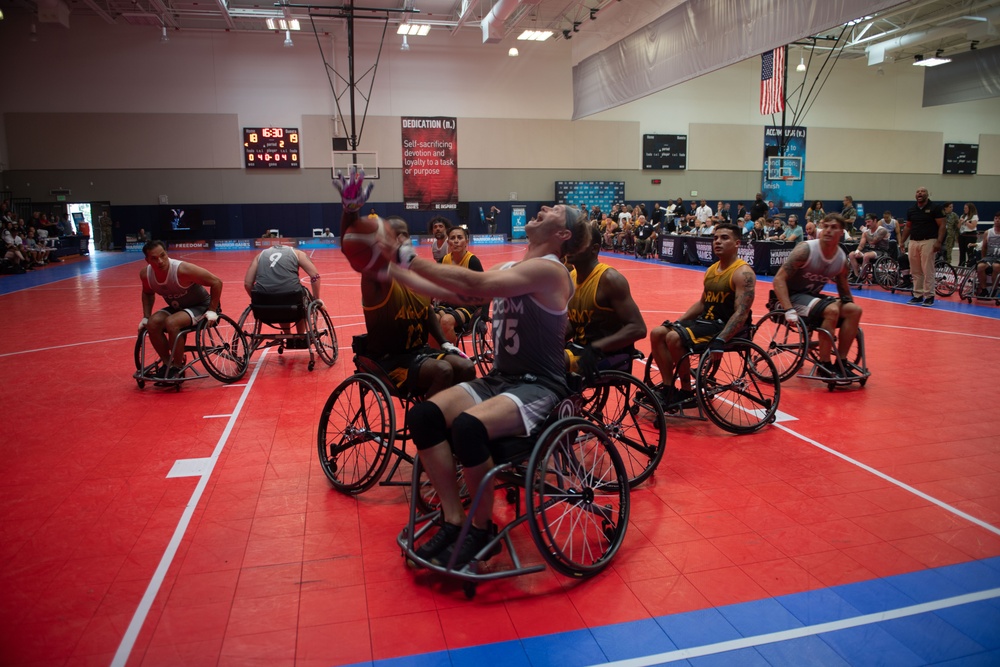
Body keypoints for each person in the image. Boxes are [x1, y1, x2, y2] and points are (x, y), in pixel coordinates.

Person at [393, 204, 590, 568]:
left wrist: (403, 255)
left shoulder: (552, 272)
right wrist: (387, 265)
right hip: (502, 380)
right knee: (424, 416)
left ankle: (481, 528)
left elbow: (476, 283)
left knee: (469, 426)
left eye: (556, 210)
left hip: (539, 386)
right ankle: (454, 520)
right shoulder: (510, 269)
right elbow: (458, 294)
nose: (545, 207)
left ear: (563, 234)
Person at [649, 223, 755, 406]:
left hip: (724, 326)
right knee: (658, 332)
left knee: (674, 338)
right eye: (715, 238)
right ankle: (668, 388)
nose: (718, 242)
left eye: (724, 238)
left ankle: (686, 391)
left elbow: (741, 313)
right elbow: (702, 303)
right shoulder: (712, 270)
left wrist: (721, 340)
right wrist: (678, 321)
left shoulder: (743, 273)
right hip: (706, 322)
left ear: (737, 243)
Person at [772, 214, 863, 377]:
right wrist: (788, 310)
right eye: (825, 226)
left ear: (842, 231)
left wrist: (849, 317)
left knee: (854, 310)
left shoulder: (840, 259)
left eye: (833, 227)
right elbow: (779, 279)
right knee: (832, 310)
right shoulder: (805, 249)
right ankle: (824, 364)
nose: (828, 230)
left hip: (811, 298)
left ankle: (841, 363)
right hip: (787, 298)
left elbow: (844, 292)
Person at [565, 230, 647, 377]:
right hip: (580, 349)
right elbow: (576, 322)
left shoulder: (610, 279)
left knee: (549, 362)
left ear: (594, 249)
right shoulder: (571, 276)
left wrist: (597, 347)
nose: (569, 247)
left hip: (608, 355)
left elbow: (638, 328)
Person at [138, 240, 223, 380]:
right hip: (178, 308)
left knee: (172, 322)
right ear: (147, 260)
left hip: (202, 306)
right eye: (154, 258)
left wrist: (213, 309)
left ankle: (177, 367)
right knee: (152, 323)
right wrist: (146, 316)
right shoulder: (145, 275)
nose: (160, 261)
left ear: (166, 254)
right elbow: (147, 293)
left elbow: (216, 282)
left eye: (162, 255)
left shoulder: (182, 269)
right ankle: (168, 363)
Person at [243, 237, 323, 337]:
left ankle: (287, 334)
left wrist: (258, 300)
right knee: (301, 296)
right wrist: (316, 300)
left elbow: (247, 284)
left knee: (280, 297)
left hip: (264, 303)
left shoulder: (260, 255)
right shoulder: (297, 253)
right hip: (292, 300)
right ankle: (301, 335)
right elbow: (315, 276)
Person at [434, 225, 484, 343]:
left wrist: (484, 314)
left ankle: (454, 357)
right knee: (432, 320)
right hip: (447, 303)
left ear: (466, 241)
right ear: (448, 242)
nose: (456, 241)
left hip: (469, 305)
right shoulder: (443, 261)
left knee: (446, 321)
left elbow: (484, 289)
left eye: (459, 237)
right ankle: (438, 355)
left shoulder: (472, 261)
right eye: (452, 238)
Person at [899, 187, 945, 306]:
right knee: (915, 270)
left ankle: (929, 295)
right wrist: (902, 241)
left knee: (927, 269)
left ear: (927, 194)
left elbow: (942, 225)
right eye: (918, 192)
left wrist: (939, 242)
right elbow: (908, 226)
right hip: (914, 241)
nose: (920, 193)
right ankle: (917, 294)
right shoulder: (912, 209)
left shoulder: (935, 208)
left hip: (929, 240)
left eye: (922, 191)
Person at [849, 213, 890, 279]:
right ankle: (856, 275)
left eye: (869, 222)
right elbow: (861, 245)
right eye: (866, 222)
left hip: (881, 251)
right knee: (851, 254)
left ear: (875, 221)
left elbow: (872, 242)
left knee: (866, 255)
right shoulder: (866, 232)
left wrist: (865, 232)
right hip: (869, 250)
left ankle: (862, 276)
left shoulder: (882, 230)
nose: (867, 224)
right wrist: (857, 251)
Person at [975, 213, 1000, 297]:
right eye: (996, 218)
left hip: (999, 257)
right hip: (990, 257)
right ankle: (984, 289)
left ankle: (994, 289)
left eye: (999, 219)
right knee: (980, 266)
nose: (997, 220)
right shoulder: (988, 232)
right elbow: (984, 247)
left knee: (996, 267)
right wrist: (983, 258)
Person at [958, 203, 980, 267]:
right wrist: (960, 222)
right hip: (962, 234)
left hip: (970, 235)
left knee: (969, 251)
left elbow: (972, 226)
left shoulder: (974, 216)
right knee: (962, 252)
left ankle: (970, 265)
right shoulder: (963, 216)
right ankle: (961, 265)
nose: (964, 209)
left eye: (966, 208)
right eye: (964, 208)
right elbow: (958, 227)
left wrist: (965, 222)